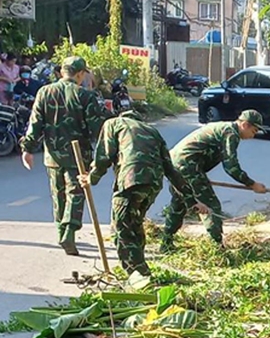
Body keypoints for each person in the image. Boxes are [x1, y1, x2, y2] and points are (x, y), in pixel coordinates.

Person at [79, 110, 209, 276]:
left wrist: (91, 178)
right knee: (135, 224)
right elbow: (171, 170)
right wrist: (192, 200)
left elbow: (104, 156)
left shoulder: (114, 123)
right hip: (153, 184)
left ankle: (138, 274)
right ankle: (138, 270)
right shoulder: (152, 131)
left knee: (122, 229)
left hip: (131, 180)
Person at [19, 56, 106, 255]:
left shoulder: (44, 92)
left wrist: (28, 149)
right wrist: (105, 153)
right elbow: (97, 128)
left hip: (52, 155)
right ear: (80, 74)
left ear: (62, 72)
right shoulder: (85, 96)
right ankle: (69, 230)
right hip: (78, 155)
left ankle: (61, 231)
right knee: (75, 193)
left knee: (58, 195)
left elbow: (35, 124)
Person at [161, 109, 267, 249]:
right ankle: (217, 246)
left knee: (179, 203)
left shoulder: (225, 128)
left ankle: (166, 243)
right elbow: (231, 166)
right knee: (211, 205)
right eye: (254, 131)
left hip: (176, 164)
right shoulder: (231, 133)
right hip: (187, 165)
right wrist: (252, 184)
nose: (253, 136)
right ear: (245, 125)